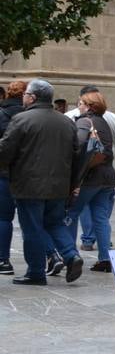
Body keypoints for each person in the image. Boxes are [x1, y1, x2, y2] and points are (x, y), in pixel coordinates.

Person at [0, 80, 82, 284]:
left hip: (29, 185)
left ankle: (36, 272)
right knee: (54, 223)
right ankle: (71, 255)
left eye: (26, 94)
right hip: (59, 185)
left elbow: (5, 151)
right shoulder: (66, 121)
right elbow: (76, 155)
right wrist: (72, 184)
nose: (24, 97)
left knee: (32, 229)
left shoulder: (22, 119)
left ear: (33, 97)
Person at [66, 90, 115, 272]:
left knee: (71, 213)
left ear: (88, 105)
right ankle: (105, 258)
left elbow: (79, 146)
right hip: (107, 176)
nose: (78, 106)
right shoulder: (104, 122)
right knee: (101, 218)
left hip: (89, 177)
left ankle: (71, 256)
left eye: (80, 103)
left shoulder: (84, 121)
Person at [0, 80, 28, 275]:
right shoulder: (32, 116)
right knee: (34, 219)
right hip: (30, 174)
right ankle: (49, 257)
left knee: (3, 218)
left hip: (4, 173)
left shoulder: (2, 114)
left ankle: (3, 260)